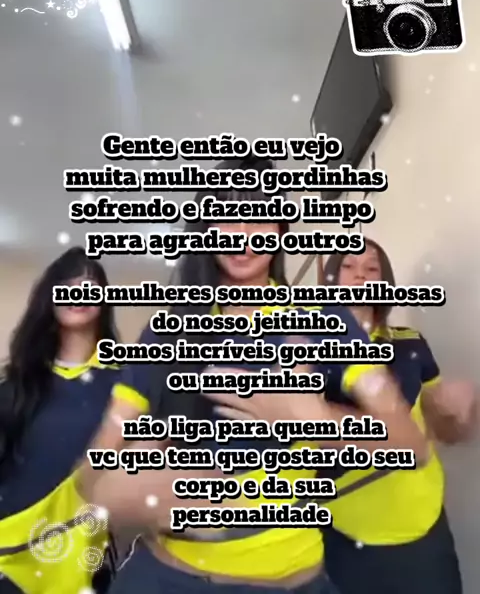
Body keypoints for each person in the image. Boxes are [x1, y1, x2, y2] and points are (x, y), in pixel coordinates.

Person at [80, 157, 431, 594]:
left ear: (281, 229)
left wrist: (313, 419)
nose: (243, 236)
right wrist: (134, 490)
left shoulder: (322, 319)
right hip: (167, 578)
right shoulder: (167, 331)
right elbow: (94, 471)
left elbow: (411, 444)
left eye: (259, 217)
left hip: (293, 580)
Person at [317, 237, 477, 594]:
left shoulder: (410, 342)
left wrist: (458, 412)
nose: (360, 275)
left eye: (371, 268)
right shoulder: (306, 349)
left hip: (425, 531)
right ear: (330, 278)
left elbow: (443, 430)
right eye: (348, 266)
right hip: (344, 535)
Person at [0, 247, 126, 594]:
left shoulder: (127, 386)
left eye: (89, 288)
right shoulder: (16, 384)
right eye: (68, 287)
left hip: (87, 555)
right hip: (11, 555)